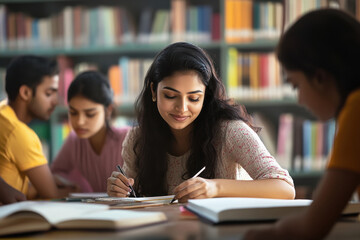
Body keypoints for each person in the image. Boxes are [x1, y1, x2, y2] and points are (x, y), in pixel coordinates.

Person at [107, 42, 295, 202]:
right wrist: (120, 191)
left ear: (206, 97)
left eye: (194, 98)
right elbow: (133, 199)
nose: (182, 107)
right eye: (170, 96)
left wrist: (216, 188)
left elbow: (285, 188)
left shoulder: (231, 132)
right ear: (153, 91)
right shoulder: (138, 138)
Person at [244, 9, 360, 240]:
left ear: (319, 78)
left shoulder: (356, 110)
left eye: (296, 85)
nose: (299, 99)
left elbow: (312, 227)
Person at [0, 55, 74, 200]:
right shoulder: (20, 134)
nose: (56, 102)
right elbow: (51, 195)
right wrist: (76, 190)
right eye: (48, 93)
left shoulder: (3, 111)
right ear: (25, 93)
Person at [51, 71, 130, 192]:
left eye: (90, 114)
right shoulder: (74, 140)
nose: (80, 122)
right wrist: (73, 185)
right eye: (73, 113)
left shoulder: (129, 138)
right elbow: (56, 173)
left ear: (108, 111)